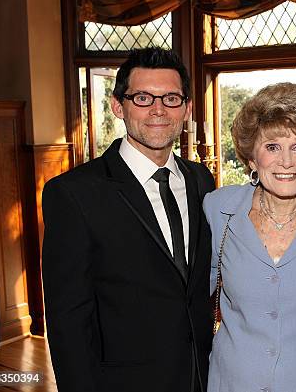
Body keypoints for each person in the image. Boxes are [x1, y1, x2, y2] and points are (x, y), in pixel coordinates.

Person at [42, 47, 215, 392]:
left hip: (201, 375)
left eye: (170, 98)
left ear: (186, 108)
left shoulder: (200, 180)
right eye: (142, 98)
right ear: (118, 106)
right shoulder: (74, 193)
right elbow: (68, 321)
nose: (158, 110)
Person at [203, 82, 296, 392]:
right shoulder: (218, 209)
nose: (286, 161)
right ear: (252, 158)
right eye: (272, 146)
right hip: (231, 384)